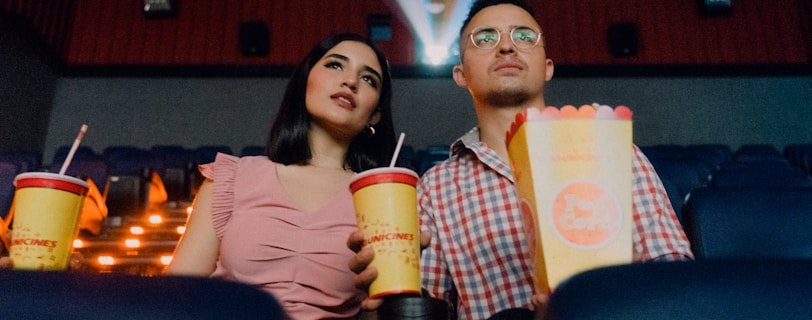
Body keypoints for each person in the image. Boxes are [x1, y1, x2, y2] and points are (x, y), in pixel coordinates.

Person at [347, 1, 693, 319]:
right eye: (485, 38)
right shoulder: (435, 188)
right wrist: (385, 296)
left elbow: (673, 271)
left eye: (524, 36)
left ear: (547, 68)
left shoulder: (615, 152)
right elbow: (429, 305)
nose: (507, 46)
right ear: (460, 74)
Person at [167, 33, 397, 319]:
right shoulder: (232, 179)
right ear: (305, 82)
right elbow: (177, 299)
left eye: (368, 79)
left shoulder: (382, 198)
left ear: (374, 115)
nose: (350, 81)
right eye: (336, 66)